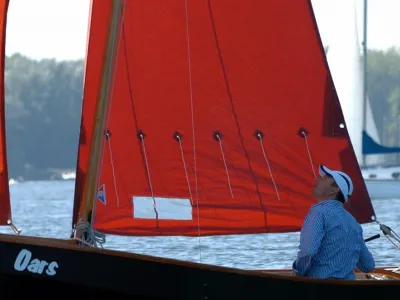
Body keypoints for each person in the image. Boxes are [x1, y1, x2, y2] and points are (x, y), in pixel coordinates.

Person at [292, 164, 375, 279]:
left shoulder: (318, 212)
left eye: (324, 178)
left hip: (320, 288)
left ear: (334, 190)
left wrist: (298, 271)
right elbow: (368, 266)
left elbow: (309, 251)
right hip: (349, 290)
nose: (317, 179)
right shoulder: (353, 222)